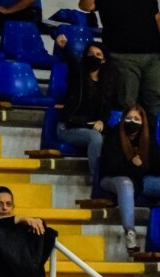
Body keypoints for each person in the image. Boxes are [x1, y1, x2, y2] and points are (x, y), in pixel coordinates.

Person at [98, 105, 160, 254]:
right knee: (126, 183)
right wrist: (131, 165)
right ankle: (130, 233)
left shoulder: (147, 137)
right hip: (112, 178)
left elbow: (154, 170)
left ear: (142, 121)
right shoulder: (114, 135)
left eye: (136, 119)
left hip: (140, 178)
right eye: (129, 118)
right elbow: (110, 166)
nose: (132, 121)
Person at [77, 0, 160, 117]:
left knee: (156, 100)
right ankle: (126, 133)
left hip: (152, 54)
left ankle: (156, 133)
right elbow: (86, 6)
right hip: (123, 55)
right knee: (127, 102)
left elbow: (157, 16)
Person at [54, 35, 112, 196]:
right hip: (69, 126)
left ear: (104, 60)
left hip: (90, 126)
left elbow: (106, 108)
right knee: (96, 138)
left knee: (113, 138)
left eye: (98, 55)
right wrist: (64, 47)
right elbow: (73, 63)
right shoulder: (78, 75)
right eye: (90, 54)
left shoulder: (106, 83)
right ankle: (98, 183)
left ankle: (113, 181)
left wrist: (102, 121)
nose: (93, 57)